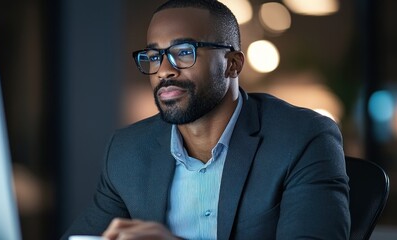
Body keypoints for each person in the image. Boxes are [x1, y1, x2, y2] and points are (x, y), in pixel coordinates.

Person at [62, 0, 350, 239]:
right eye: (153, 55)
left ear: (233, 64)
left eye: (184, 52)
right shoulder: (127, 151)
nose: (164, 70)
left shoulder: (302, 138)